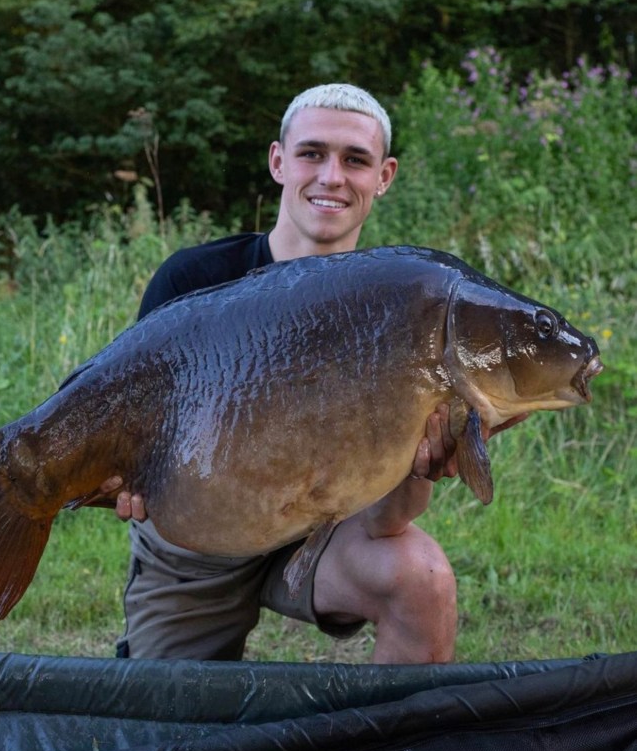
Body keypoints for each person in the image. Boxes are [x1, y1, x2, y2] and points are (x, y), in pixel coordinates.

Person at [100, 83, 522, 664]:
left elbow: (389, 520)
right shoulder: (194, 281)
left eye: (355, 160)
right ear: (278, 161)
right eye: (312, 154)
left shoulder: (405, 301)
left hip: (330, 529)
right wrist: (129, 481)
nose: (331, 176)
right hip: (201, 541)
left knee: (423, 578)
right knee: (174, 739)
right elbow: (134, 433)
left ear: (385, 176)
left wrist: (428, 460)